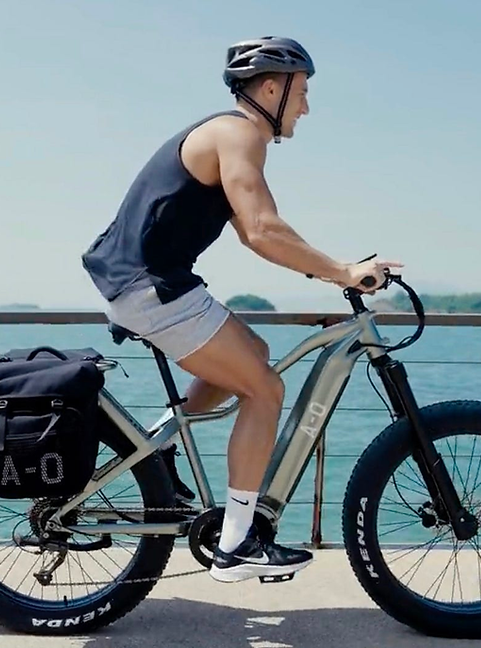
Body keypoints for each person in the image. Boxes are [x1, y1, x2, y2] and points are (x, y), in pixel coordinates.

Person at [81, 36, 402, 583]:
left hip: (155, 282)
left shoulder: (229, 138)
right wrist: (345, 271)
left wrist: (332, 267)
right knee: (266, 389)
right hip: (149, 286)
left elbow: (263, 231)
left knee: (255, 355)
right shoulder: (239, 134)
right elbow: (261, 230)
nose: (306, 106)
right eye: (302, 92)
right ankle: (236, 545)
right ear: (272, 87)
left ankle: (157, 455)